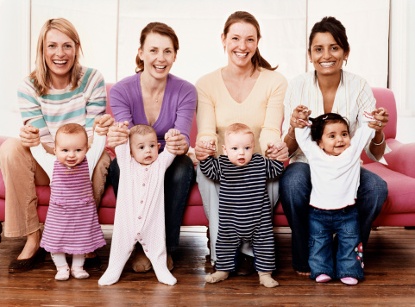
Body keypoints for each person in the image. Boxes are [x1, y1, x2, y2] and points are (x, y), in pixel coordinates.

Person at [0, 18, 112, 273]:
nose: (59, 54)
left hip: (82, 156)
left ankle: (83, 240)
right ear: (42, 49)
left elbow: (91, 136)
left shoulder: (93, 79)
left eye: (67, 46)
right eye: (52, 46)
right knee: (10, 147)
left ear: (76, 48)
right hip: (48, 158)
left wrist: (76, 153)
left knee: (102, 158)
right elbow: (43, 141)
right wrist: (34, 141)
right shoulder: (28, 87)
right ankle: (33, 237)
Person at [279, 16, 389, 276]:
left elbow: (375, 152)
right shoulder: (297, 85)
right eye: (318, 49)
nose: (326, 55)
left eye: (334, 47)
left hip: (345, 167)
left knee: (376, 188)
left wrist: (378, 129)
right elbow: (289, 148)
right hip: (307, 163)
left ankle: (347, 250)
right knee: (293, 183)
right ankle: (305, 255)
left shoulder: (359, 86)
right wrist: (295, 125)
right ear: (310, 54)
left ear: (345, 52)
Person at [194, 11, 289, 274]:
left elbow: (270, 128)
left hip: (257, 159)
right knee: (204, 173)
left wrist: (274, 149)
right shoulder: (206, 83)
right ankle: (220, 246)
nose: (242, 46)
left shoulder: (275, 82)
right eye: (235, 38)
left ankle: (250, 249)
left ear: (258, 42)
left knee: (271, 169)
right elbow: (207, 131)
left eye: (250, 39)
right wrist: (204, 148)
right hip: (224, 160)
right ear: (223, 40)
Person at [106, 22, 197, 272]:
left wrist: (179, 143)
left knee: (182, 167)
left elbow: (184, 138)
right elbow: (127, 138)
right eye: (154, 50)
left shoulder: (186, 90)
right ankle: (135, 246)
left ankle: (166, 249)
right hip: (136, 158)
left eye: (168, 51)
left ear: (175, 55)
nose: (161, 58)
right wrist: (117, 136)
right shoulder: (122, 90)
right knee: (117, 167)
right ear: (141, 53)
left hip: (169, 157)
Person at [295, 112, 381, 285]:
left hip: (347, 213)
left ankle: (349, 271)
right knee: (319, 244)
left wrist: (373, 118)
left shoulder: (352, 152)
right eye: (332, 136)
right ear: (319, 142)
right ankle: (321, 270)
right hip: (318, 214)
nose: (340, 140)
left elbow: (365, 131)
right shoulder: (314, 154)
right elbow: (302, 137)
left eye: (344, 134)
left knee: (350, 244)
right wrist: (302, 121)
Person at [198, 123, 283, 288]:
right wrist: (206, 156)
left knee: (265, 245)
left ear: (253, 147)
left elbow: (276, 170)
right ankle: (223, 270)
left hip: (259, 220)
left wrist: (275, 155)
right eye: (235, 148)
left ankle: (265, 274)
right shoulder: (222, 164)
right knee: (224, 244)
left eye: (247, 148)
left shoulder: (259, 162)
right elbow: (209, 171)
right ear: (225, 149)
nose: (241, 153)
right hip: (231, 220)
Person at [99, 124, 179, 286]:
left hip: (152, 223)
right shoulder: (126, 165)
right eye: (141, 147)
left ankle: (161, 269)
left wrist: (171, 136)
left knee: (158, 248)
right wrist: (121, 132)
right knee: (119, 248)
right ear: (131, 151)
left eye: (151, 146)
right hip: (127, 222)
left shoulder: (159, 166)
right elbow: (121, 146)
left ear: (158, 147)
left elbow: (171, 150)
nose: (148, 151)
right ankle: (113, 269)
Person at [29, 123, 107, 280]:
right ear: (55, 150)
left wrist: (99, 133)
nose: (71, 155)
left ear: (86, 149)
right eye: (65, 150)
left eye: (78, 150)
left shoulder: (88, 162)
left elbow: (98, 146)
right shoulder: (52, 163)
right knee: (55, 241)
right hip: (59, 214)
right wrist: (35, 141)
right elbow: (38, 152)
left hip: (82, 214)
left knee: (81, 241)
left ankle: (78, 267)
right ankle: (61, 267)